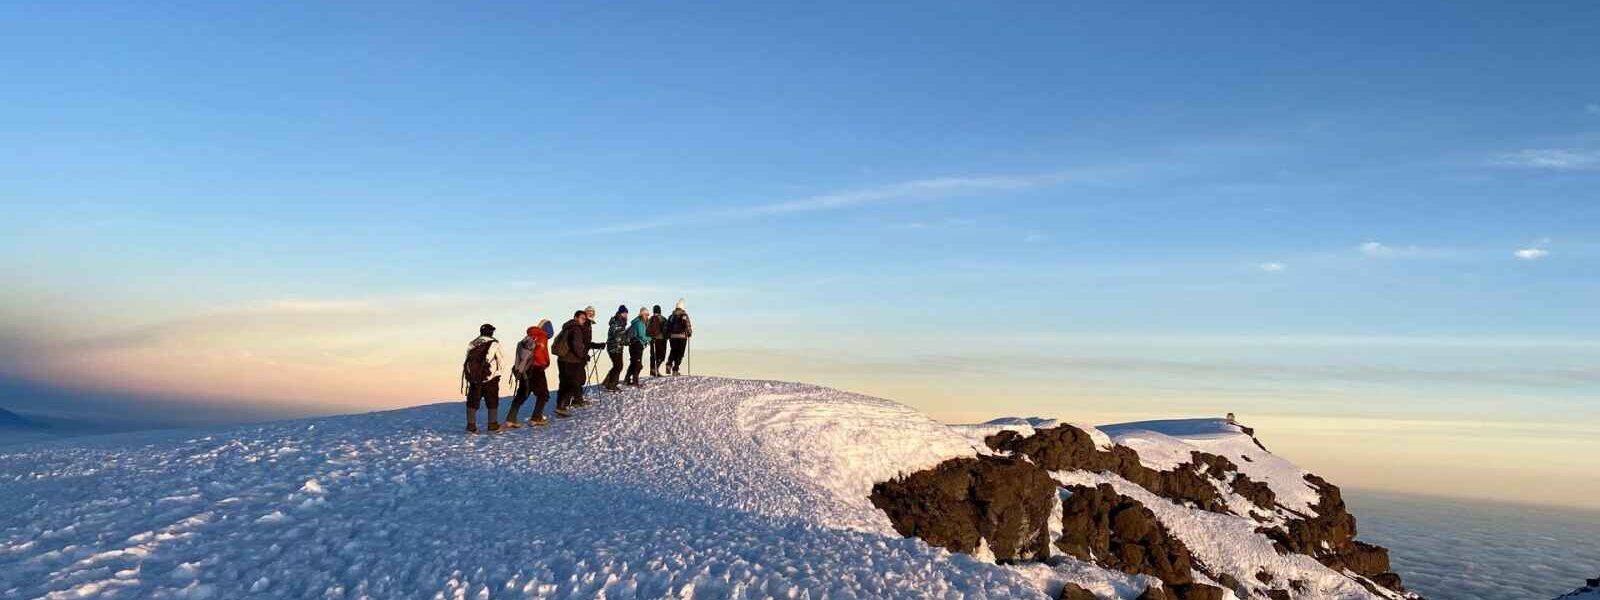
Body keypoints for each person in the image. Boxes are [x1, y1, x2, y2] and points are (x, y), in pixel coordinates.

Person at [506, 320, 554, 428]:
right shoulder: (542, 336)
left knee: (522, 393)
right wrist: (546, 362)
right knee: (543, 394)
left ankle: (511, 419)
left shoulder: (529, 336)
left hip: (524, 369)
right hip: (536, 369)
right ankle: (536, 418)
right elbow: (539, 353)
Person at [554, 310, 602, 416]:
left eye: (585, 319)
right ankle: (562, 406)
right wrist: (583, 355)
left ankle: (561, 405)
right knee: (574, 382)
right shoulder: (576, 329)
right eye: (582, 318)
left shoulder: (568, 327)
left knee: (565, 382)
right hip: (572, 360)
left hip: (562, 359)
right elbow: (577, 345)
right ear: (576, 318)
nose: (584, 320)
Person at [461, 323, 504, 434]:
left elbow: (468, 360)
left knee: (472, 401)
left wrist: (471, 376)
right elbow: (500, 360)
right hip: (490, 377)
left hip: (475, 378)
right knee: (492, 400)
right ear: (491, 332)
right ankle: (492, 425)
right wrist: (498, 374)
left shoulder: (472, 343)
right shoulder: (494, 343)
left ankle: (471, 426)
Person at [601, 305, 629, 391]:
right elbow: (617, 336)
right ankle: (611, 384)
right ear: (620, 313)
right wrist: (626, 341)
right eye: (624, 313)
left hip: (618, 347)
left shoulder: (622, 322)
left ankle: (608, 382)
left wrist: (626, 340)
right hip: (613, 347)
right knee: (618, 366)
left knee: (617, 366)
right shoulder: (617, 321)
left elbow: (621, 335)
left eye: (626, 313)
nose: (626, 315)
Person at [665, 298, 693, 376]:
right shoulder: (684, 315)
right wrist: (689, 333)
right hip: (682, 337)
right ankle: (675, 369)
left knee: (673, 351)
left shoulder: (671, 316)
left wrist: (668, 335)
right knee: (680, 353)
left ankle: (669, 364)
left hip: (672, 337)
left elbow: (667, 326)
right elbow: (688, 325)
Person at [625, 306, 652, 386]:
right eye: (646, 314)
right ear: (642, 315)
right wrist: (650, 339)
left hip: (634, 345)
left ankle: (627, 379)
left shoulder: (638, 322)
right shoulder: (640, 323)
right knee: (638, 364)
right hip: (637, 345)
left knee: (634, 362)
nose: (647, 316)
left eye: (648, 315)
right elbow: (641, 335)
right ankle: (635, 381)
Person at [647, 304, 668, 377]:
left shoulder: (650, 319)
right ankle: (656, 368)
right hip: (661, 339)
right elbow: (666, 329)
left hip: (652, 339)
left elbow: (646, 329)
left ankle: (652, 370)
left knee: (653, 355)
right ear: (660, 311)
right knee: (661, 355)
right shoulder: (663, 319)